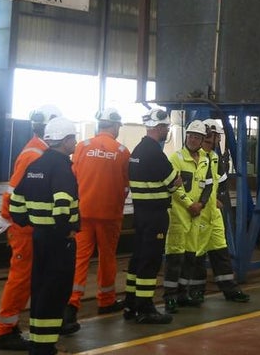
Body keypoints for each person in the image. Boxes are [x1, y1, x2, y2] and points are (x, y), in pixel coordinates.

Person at [8, 116, 80, 355]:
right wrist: (66, 231)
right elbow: (62, 206)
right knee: (55, 293)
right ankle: (46, 351)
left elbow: (16, 206)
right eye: (73, 138)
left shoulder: (35, 165)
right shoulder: (62, 169)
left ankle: (39, 344)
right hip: (58, 241)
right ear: (66, 141)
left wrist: (34, 222)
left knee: (40, 291)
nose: (75, 142)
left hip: (39, 236)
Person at [0, 106, 62, 352]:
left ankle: (11, 327)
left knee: (27, 278)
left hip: (28, 226)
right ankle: (5, 332)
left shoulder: (38, 150)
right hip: (24, 228)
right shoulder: (35, 155)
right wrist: (7, 218)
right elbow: (13, 190)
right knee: (20, 278)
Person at [64, 107, 131, 333]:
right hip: (109, 215)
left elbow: (72, 177)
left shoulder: (81, 147)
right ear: (113, 126)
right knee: (107, 257)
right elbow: (125, 186)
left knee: (80, 259)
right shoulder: (122, 151)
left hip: (83, 213)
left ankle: (71, 306)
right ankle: (106, 300)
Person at [122, 108, 177, 324]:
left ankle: (131, 304)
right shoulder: (155, 154)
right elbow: (174, 183)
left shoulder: (137, 151)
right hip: (155, 215)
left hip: (141, 214)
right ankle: (146, 308)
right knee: (150, 261)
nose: (167, 131)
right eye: (166, 128)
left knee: (137, 259)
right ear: (160, 127)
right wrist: (173, 184)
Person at [195, 120, 249, 303]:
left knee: (221, 252)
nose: (215, 142)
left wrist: (218, 197)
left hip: (214, 216)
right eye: (211, 139)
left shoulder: (214, 157)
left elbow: (222, 181)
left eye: (216, 139)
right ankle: (196, 291)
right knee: (197, 254)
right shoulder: (197, 158)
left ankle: (230, 290)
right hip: (200, 214)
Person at [164, 120, 213, 311]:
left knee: (190, 257)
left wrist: (200, 204)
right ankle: (169, 298)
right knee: (174, 259)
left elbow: (209, 184)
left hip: (195, 216)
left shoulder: (205, 160)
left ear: (202, 140)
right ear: (186, 137)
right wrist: (189, 204)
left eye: (197, 137)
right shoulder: (176, 159)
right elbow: (174, 187)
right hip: (178, 216)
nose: (193, 140)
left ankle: (183, 294)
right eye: (191, 136)